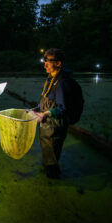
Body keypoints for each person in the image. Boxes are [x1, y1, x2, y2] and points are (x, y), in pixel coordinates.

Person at [34, 48, 79, 179]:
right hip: (47, 125)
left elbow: (62, 108)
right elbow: (47, 99)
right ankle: (48, 168)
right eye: (44, 61)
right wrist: (37, 108)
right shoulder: (51, 79)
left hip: (54, 126)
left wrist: (44, 114)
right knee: (48, 152)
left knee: (52, 155)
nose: (45, 65)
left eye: (48, 61)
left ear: (58, 63)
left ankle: (54, 177)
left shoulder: (62, 83)